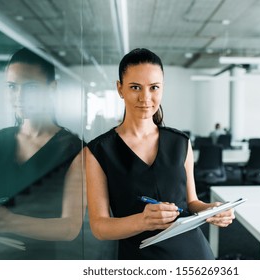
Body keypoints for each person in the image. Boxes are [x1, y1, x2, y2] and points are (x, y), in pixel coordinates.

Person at [86, 48, 235, 260]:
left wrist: (211, 210)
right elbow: (100, 227)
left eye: (154, 87)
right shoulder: (98, 150)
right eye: (135, 87)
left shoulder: (180, 142)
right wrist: (143, 221)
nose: (145, 98)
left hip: (192, 254)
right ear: (120, 89)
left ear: (162, 88)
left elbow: (191, 203)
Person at [0, 48, 85, 259]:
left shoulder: (74, 150)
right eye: (12, 87)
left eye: (31, 87)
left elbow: (70, 228)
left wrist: (8, 220)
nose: (19, 97)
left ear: (51, 88)